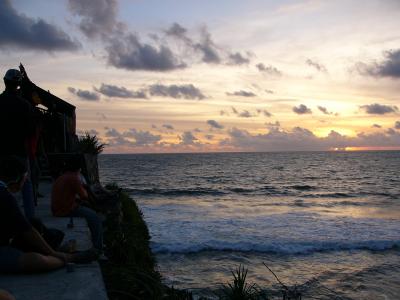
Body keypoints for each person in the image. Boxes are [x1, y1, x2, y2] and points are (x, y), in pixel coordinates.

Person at [0, 156, 89, 274]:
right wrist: (53, 253)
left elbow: (23, 225)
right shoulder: (5, 197)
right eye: (25, 180)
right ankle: (68, 258)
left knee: (36, 225)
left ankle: (55, 252)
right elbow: (27, 230)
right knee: (36, 261)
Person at [0, 69, 36, 220]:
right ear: (19, 85)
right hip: (19, 152)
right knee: (26, 183)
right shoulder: (25, 106)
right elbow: (31, 132)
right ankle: (30, 220)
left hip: (1, 152)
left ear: (5, 82)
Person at [51, 156, 103, 251]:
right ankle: (98, 247)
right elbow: (84, 196)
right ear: (79, 168)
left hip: (57, 208)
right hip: (64, 210)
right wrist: (86, 188)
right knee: (95, 218)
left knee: (86, 208)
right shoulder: (74, 178)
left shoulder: (63, 176)